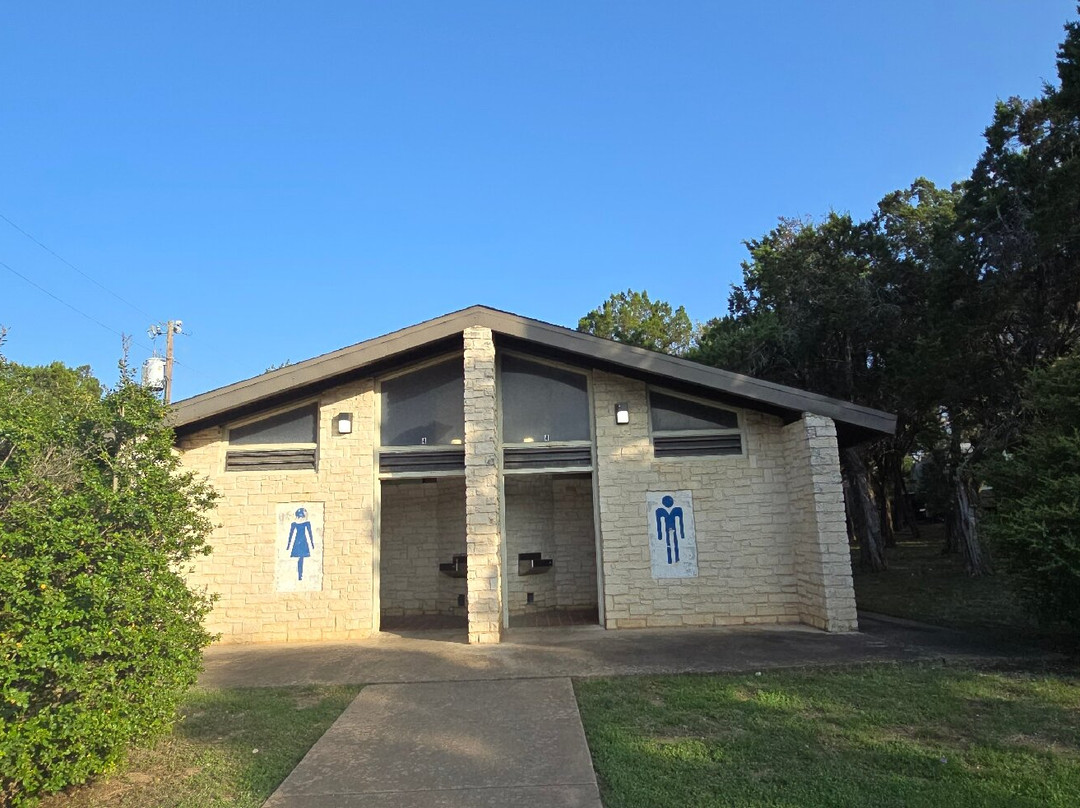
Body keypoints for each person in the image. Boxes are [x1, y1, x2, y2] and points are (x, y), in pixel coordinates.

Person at [286, 507, 314, 581]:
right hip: (299, 541)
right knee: (300, 558)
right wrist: (288, 546)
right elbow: (290, 535)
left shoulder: (307, 523)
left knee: (301, 558)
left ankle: (300, 575)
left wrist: (312, 544)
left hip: (302, 541)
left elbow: (310, 534)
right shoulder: (294, 524)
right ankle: (299, 575)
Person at [655, 495, 684, 565]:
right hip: (666, 529)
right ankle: (670, 560)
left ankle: (677, 558)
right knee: (668, 543)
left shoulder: (677, 510)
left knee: (675, 543)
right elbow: (659, 524)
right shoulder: (660, 511)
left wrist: (682, 533)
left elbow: (681, 522)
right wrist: (660, 535)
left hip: (674, 528)